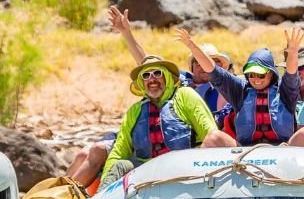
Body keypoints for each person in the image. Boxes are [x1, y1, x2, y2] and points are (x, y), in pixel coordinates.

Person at [98, 55, 235, 188]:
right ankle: (99, 198)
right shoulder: (134, 110)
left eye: (157, 73)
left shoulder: (185, 96)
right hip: (146, 171)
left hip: (185, 168)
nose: (152, 79)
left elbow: (210, 134)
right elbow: (118, 152)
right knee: (120, 165)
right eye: (146, 75)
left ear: (167, 77)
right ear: (141, 82)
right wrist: (105, 180)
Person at [178, 27, 303, 146]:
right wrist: (192, 46)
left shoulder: (285, 91)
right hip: (244, 150)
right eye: (251, 75)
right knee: (214, 137)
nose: (255, 79)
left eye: (261, 75)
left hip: (283, 148)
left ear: (271, 73)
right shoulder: (240, 90)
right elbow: (213, 70)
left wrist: (293, 53)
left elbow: (291, 74)